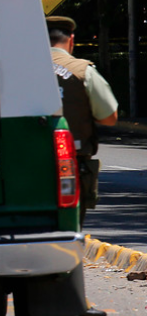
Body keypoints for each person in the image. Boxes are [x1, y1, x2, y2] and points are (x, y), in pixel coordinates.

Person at [48, 16, 118, 225]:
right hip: (71, 166)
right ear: (72, 40)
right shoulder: (82, 71)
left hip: (23, 166)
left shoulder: (15, 70)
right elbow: (109, 118)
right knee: (69, 226)